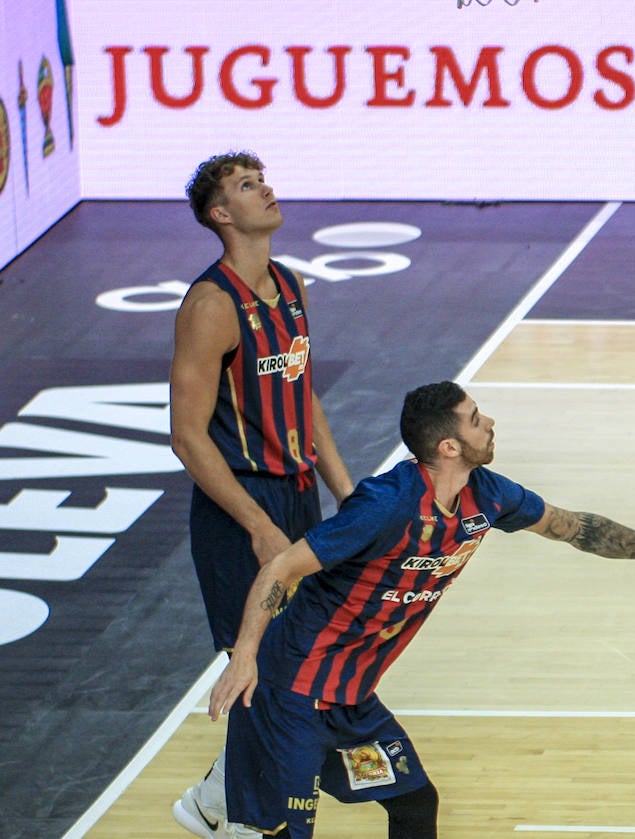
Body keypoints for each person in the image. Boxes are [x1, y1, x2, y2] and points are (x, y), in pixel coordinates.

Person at [206, 381, 635, 838]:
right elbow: (279, 569)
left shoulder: (488, 496)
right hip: (291, 692)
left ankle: (218, 793)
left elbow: (576, 528)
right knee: (286, 831)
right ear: (449, 446)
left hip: (350, 698)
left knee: (415, 803)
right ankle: (222, 795)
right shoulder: (385, 506)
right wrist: (245, 655)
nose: (491, 424)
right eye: (478, 420)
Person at [170, 151, 354, 839]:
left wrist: (346, 491)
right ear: (221, 214)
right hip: (239, 507)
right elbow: (188, 437)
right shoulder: (211, 305)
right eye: (247, 186)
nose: (266, 189)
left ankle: (218, 798)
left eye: (262, 178)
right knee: (265, 663)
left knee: (293, 655)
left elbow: (302, 395)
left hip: (299, 493)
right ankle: (243, 815)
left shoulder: (290, 283)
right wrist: (253, 524)